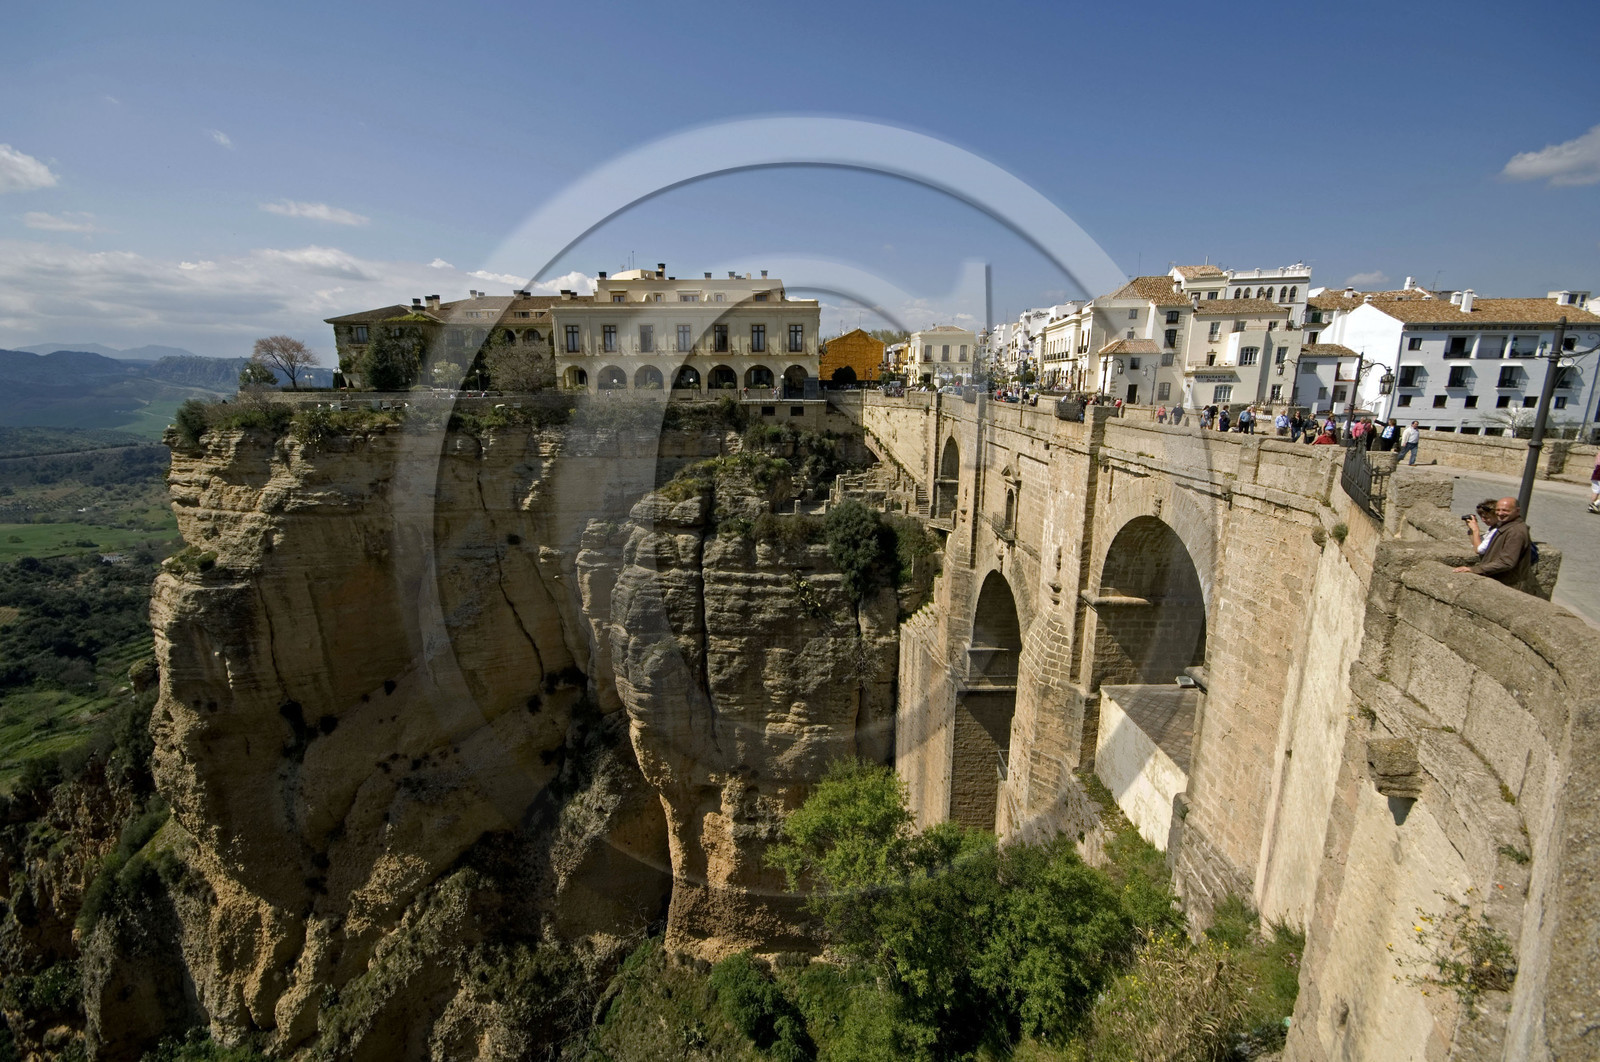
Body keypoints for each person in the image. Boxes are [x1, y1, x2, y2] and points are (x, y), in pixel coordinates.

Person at [1453, 498, 1532, 587]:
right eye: (1498, 510)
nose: (1500, 513)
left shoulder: (1516, 531)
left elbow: (1506, 562)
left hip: (1507, 583)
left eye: (1505, 510)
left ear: (1517, 511)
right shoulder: (1505, 525)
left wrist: (1475, 569)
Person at [1589, 449, 1600, 514]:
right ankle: (1595, 504)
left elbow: (1595, 463)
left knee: (1595, 491)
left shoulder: (1599, 453)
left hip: (1596, 472)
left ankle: (1591, 507)